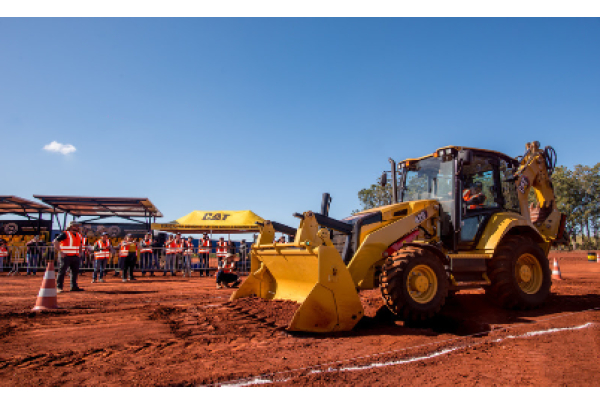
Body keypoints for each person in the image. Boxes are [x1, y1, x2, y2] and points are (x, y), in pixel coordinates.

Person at [53, 221, 84, 293]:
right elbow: (55, 241)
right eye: (74, 226)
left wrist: (80, 252)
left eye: (77, 226)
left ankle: (74, 286)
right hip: (66, 256)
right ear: (70, 226)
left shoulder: (79, 235)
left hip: (75, 256)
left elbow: (80, 245)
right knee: (62, 271)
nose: (76, 227)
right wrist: (60, 251)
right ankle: (59, 287)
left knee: (75, 272)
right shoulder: (65, 233)